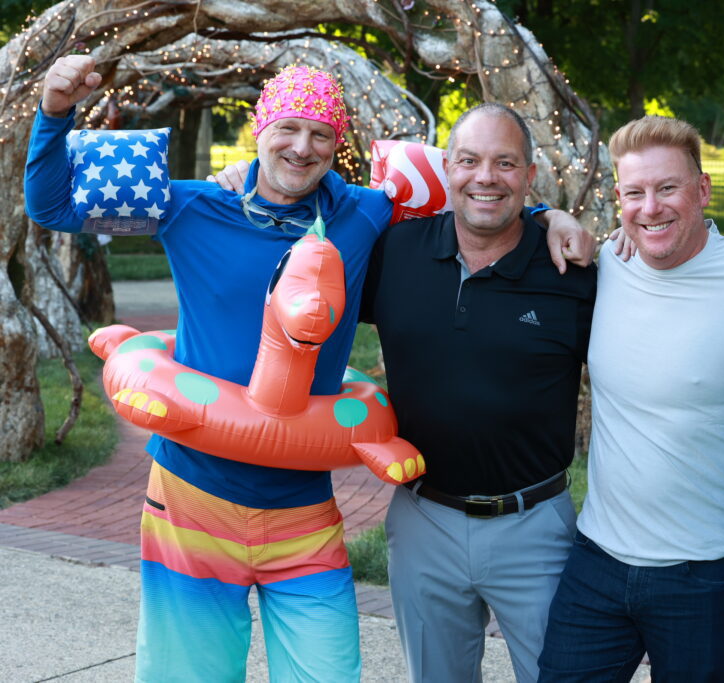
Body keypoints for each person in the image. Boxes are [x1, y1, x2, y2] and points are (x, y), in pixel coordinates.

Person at [24, 56, 591, 681]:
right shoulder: (188, 205)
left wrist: (546, 217)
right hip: (190, 498)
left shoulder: (366, 214)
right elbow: (52, 207)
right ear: (259, 128)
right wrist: (54, 113)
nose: (302, 147)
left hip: (302, 507)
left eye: (321, 134)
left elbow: (480, 194)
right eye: (288, 128)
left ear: (336, 145)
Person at [538, 115, 724, 682]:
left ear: (702, 190)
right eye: (634, 192)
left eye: (667, 188)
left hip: (710, 573)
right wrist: (551, 214)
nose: (650, 208)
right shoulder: (607, 266)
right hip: (598, 559)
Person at [358, 103, 596, 683]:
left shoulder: (573, 272)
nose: (485, 177)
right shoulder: (394, 253)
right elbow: (298, 222)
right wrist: (239, 179)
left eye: (505, 163)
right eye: (470, 161)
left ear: (529, 176)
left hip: (534, 524)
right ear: (447, 168)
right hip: (423, 518)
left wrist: (553, 218)